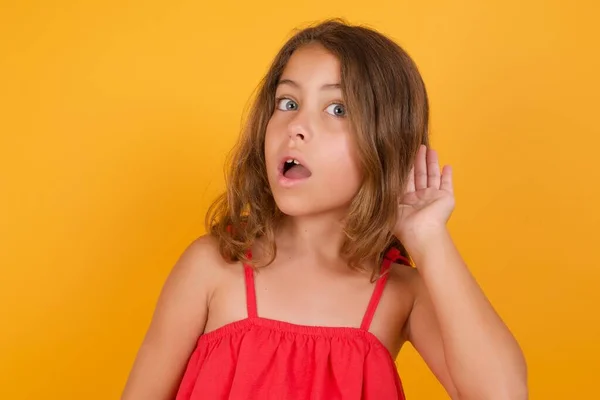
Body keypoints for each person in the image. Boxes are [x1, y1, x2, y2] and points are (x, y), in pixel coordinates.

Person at [122, 19, 527, 400]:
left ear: (385, 143)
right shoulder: (211, 267)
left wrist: (430, 239)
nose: (296, 126)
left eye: (337, 109)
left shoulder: (402, 293)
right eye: (287, 102)